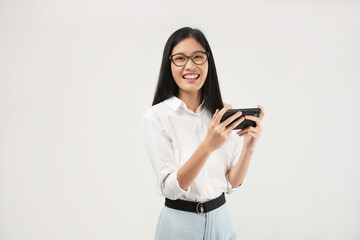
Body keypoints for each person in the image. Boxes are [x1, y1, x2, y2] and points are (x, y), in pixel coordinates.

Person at [142, 27, 265, 240]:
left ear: (208, 61)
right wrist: (209, 144)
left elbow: (231, 183)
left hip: (222, 220)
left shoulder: (223, 114)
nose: (190, 65)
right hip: (179, 224)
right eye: (180, 58)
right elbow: (171, 188)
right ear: (169, 64)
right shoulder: (156, 117)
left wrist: (249, 147)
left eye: (198, 57)